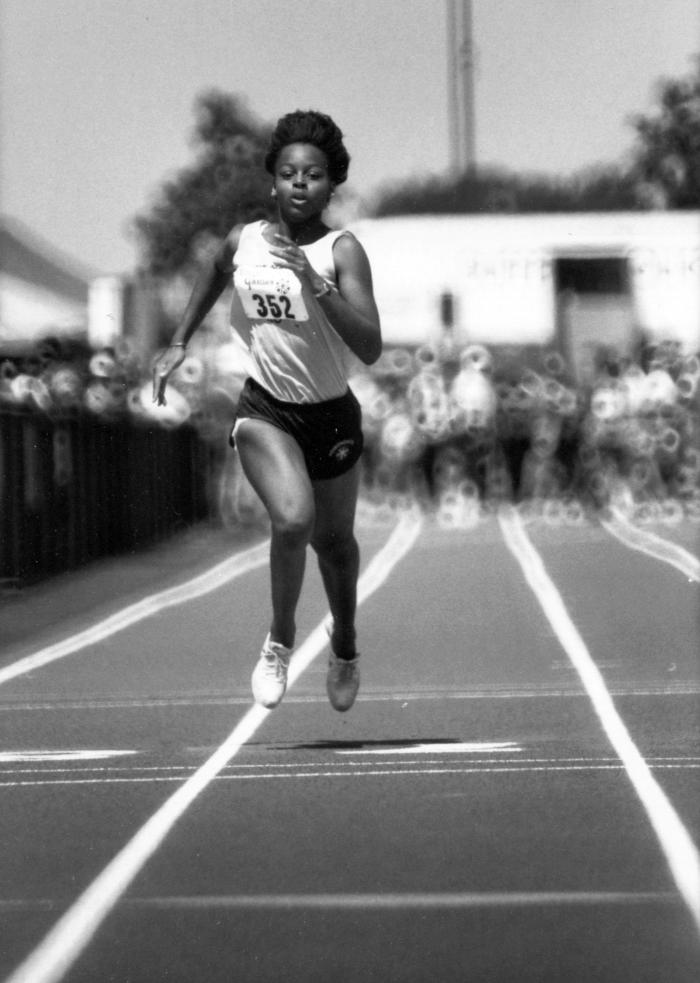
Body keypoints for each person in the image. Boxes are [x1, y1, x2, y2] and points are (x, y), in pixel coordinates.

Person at [153, 109, 382, 712]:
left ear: (333, 184)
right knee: (292, 520)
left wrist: (316, 282)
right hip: (266, 409)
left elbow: (371, 346)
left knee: (335, 544)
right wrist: (178, 341)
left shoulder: (343, 250)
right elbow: (211, 274)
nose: (300, 183)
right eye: (288, 173)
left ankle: (347, 643)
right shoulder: (245, 240)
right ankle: (280, 641)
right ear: (272, 182)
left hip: (331, 415)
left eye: (313, 174)